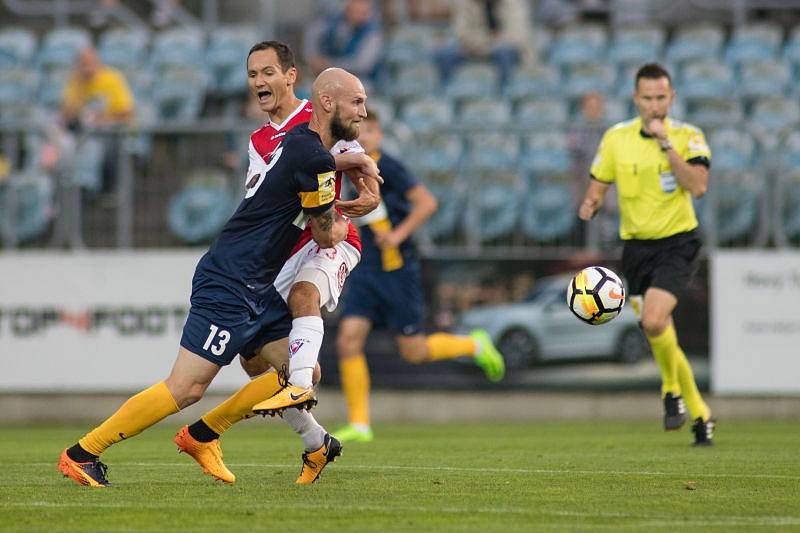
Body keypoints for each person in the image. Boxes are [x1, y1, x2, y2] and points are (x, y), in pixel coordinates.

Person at [57, 63, 377, 487]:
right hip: (231, 279)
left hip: (257, 285)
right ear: (327, 101)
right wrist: (356, 209)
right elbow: (326, 232)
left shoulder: (303, 146)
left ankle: (205, 435)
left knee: (303, 371)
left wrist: (351, 165)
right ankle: (83, 453)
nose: (364, 112)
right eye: (357, 102)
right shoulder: (313, 156)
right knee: (185, 387)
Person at [171, 41, 380, 486]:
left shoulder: (317, 113)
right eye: (253, 75)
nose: (260, 82)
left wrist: (364, 179)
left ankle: (293, 390)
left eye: (268, 72)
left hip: (334, 238)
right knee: (253, 363)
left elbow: (355, 151)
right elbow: (275, 188)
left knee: (305, 301)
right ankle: (316, 442)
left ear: (290, 77)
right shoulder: (258, 140)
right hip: (286, 248)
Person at [333, 110, 506, 443]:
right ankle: (360, 424)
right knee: (347, 340)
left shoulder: (389, 167)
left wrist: (397, 236)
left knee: (413, 351)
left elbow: (427, 203)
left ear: (380, 135)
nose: (364, 137)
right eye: (359, 131)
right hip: (366, 268)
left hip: (397, 269)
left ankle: (474, 344)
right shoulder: (348, 168)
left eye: (371, 130)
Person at [577, 63, 715, 446]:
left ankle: (670, 390)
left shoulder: (688, 136)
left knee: (654, 322)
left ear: (671, 98)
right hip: (636, 248)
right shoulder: (616, 138)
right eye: (647, 98)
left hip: (678, 242)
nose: (654, 105)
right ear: (636, 99)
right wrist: (591, 203)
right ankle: (700, 414)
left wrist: (666, 145)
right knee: (660, 332)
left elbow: (698, 186)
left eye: (661, 97)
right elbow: (599, 183)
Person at [61, 46, 134, 193]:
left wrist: (99, 120)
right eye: (83, 64)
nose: (87, 68)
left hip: (110, 133)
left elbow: (126, 113)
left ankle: (93, 189)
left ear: (98, 63)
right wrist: (80, 90)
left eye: (90, 63)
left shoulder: (112, 78)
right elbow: (66, 116)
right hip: (81, 133)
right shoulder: (75, 82)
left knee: (95, 147)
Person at [433, 0, 533, 88]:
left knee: (504, 51)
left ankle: (503, 91)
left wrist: (486, 44)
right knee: (444, 53)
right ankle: (448, 89)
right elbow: (462, 34)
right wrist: (489, 40)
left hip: (503, 51)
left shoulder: (514, 4)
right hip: (473, 50)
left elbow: (517, 36)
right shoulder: (465, 4)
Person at [304, 0, 384, 89]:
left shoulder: (372, 33)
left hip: (362, 81)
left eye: (363, 11)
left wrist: (329, 64)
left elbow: (362, 65)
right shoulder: (334, 24)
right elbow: (313, 36)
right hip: (330, 76)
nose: (357, 14)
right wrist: (314, 58)